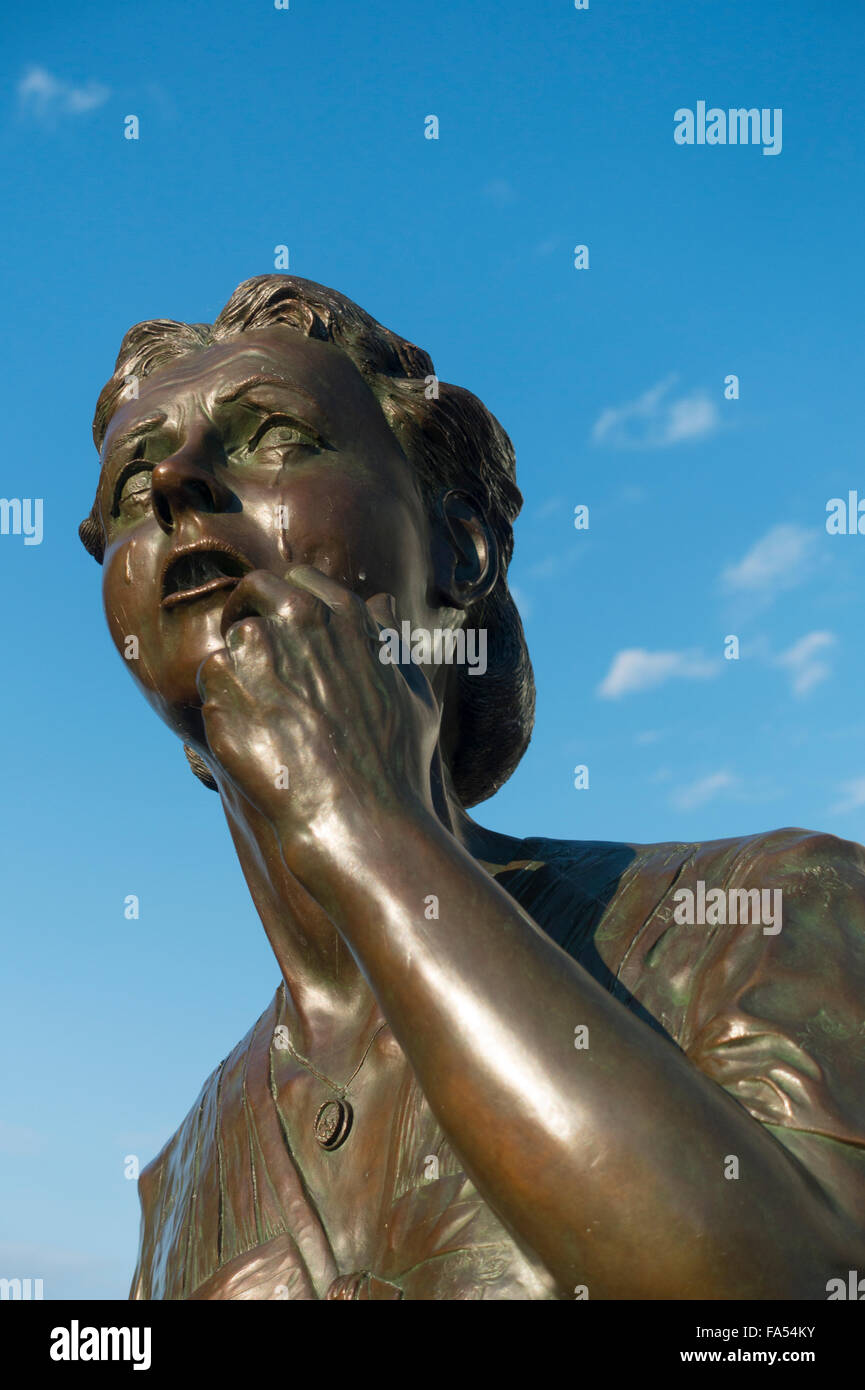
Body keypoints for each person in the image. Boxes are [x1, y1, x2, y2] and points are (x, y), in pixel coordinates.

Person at [79, 274, 865, 1300]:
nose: (176, 484)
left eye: (272, 436)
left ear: (460, 545)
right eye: (132, 486)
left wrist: (360, 825)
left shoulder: (766, 915)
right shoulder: (182, 1179)